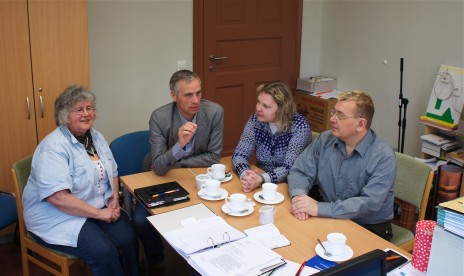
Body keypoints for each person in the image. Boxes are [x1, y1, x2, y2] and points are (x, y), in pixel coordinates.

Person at [22, 85, 140, 275]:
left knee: (128, 237)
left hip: (93, 207)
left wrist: (114, 200)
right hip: (57, 217)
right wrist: (100, 214)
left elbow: (113, 170)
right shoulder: (53, 148)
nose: (86, 114)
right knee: (103, 251)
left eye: (89, 108)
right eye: (79, 110)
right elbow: (58, 199)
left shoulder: (96, 137)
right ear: (65, 115)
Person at [135, 69, 224, 268]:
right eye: (188, 95)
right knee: (141, 220)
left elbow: (213, 157)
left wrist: (177, 160)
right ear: (173, 96)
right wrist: (180, 145)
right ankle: (157, 259)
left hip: (194, 177)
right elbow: (158, 166)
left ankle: (201, 262)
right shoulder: (160, 117)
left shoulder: (214, 112)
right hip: (160, 179)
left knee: (209, 214)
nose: (196, 100)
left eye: (199, 93)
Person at [288, 90, 396, 241]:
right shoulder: (325, 139)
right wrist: (299, 198)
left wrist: (319, 208)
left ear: (360, 124)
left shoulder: (383, 156)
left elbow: (368, 203)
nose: (332, 119)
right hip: (328, 216)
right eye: (334, 112)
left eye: (340, 115)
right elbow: (300, 171)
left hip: (366, 227)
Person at [232, 82, 311, 192]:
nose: (258, 108)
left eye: (266, 106)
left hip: (290, 186)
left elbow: (288, 168)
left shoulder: (299, 127)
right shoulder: (255, 121)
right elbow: (239, 154)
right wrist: (246, 174)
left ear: (282, 109)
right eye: (258, 102)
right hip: (261, 183)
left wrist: (261, 179)